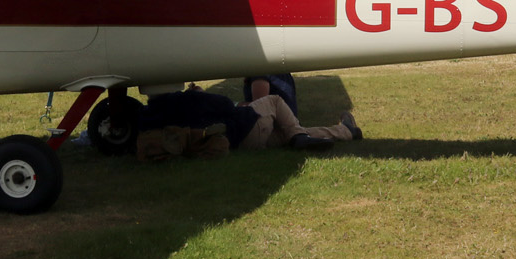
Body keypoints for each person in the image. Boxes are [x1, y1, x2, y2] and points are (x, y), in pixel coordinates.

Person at [136, 86, 361, 156]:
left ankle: (346, 131)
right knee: (274, 101)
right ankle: (300, 137)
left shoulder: (151, 117)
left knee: (287, 132)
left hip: (235, 145)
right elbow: (224, 105)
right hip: (244, 129)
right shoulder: (191, 99)